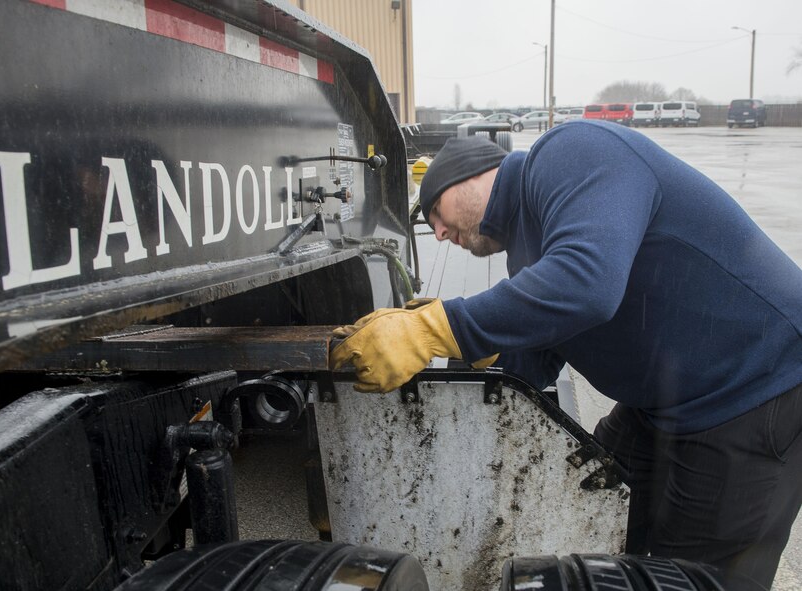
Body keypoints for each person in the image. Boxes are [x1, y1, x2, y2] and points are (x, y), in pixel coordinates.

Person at [329, 121, 802, 590]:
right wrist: (477, 360)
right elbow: (531, 364)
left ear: (471, 174)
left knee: (698, 579)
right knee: (587, 506)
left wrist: (436, 328)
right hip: (664, 401)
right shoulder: (530, 254)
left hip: (755, 387)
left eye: (435, 209)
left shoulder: (569, 154)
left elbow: (586, 285)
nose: (438, 231)